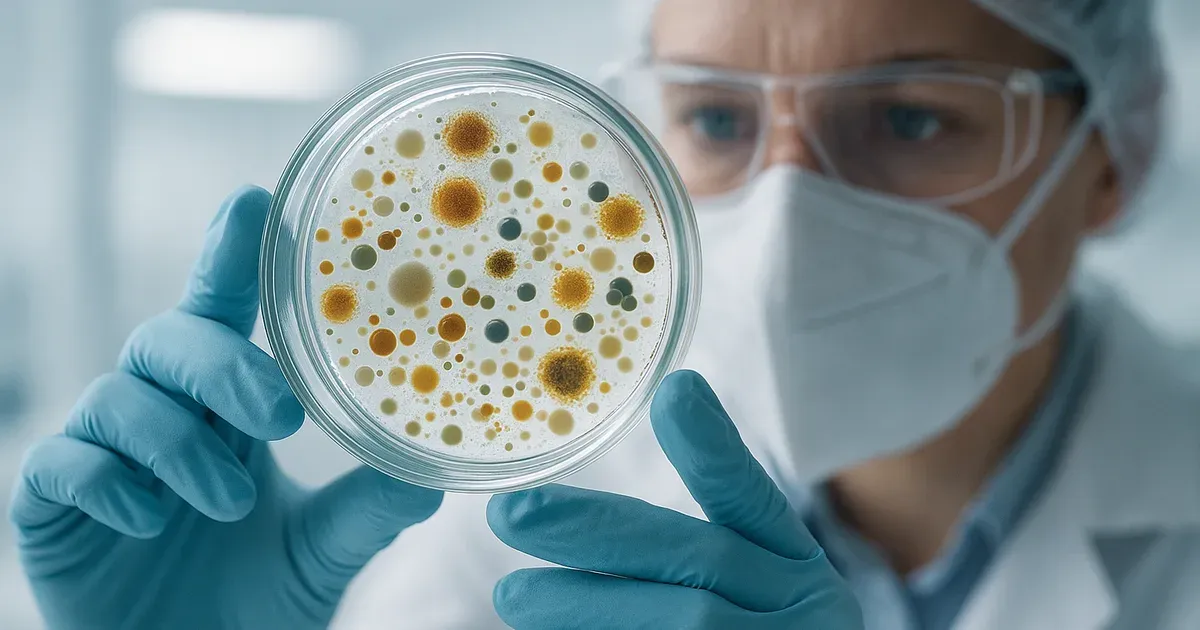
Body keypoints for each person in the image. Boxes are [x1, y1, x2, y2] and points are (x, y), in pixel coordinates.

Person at [9, 0, 1195, 627]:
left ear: (1112, 160)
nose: (791, 209)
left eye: (913, 119)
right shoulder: (508, 531)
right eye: (719, 122)